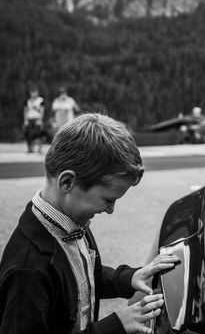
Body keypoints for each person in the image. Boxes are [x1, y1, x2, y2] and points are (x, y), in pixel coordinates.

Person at [0, 113, 180, 334]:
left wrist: (127, 278)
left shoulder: (74, 222)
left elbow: (86, 276)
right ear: (68, 182)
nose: (111, 210)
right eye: (108, 199)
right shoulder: (27, 270)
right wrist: (115, 326)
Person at [23, 86, 45, 153]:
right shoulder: (28, 101)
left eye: (35, 92)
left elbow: (42, 111)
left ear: (37, 93)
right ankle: (30, 148)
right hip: (30, 119)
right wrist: (25, 120)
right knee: (28, 134)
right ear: (30, 93)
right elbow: (25, 111)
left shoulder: (40, 100)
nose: (33, 94)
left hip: (37, 119)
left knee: (39, 134)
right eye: (32, 92)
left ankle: (39, 148)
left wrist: (40, 120)